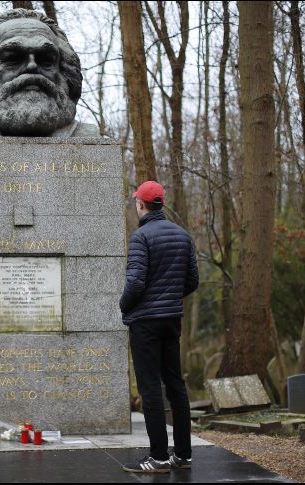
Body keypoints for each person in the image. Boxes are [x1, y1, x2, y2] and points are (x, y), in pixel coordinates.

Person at [119, 181, 199, 474]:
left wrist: (125, 305)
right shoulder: (183, 235)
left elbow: (136, 281)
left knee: (150, 387)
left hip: (146, 322)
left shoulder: (141, 237)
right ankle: (183, 454)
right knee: (176, 385)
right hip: (171, 320)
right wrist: (170, 299)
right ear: (160, 204)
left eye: (136, 202)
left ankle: (158, 456)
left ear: (141, 204)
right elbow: (192, 281)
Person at [0, 8, 98, 138]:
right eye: (12, 58)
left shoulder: (86, 137)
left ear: (64, 71)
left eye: (45, 60)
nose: (32, 66)